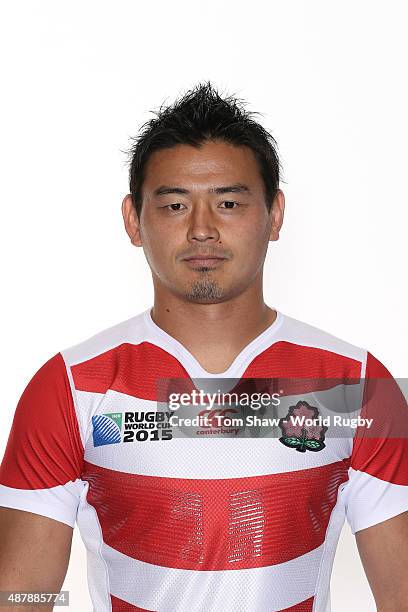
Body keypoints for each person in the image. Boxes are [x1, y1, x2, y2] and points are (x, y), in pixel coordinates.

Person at [0, 82, 407, 612]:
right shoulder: (71, 386)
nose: (202, 230)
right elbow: (20, 594)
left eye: (230, 202)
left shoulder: (356, 387)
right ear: (133, 220)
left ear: (275, 215)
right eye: (173, 205)